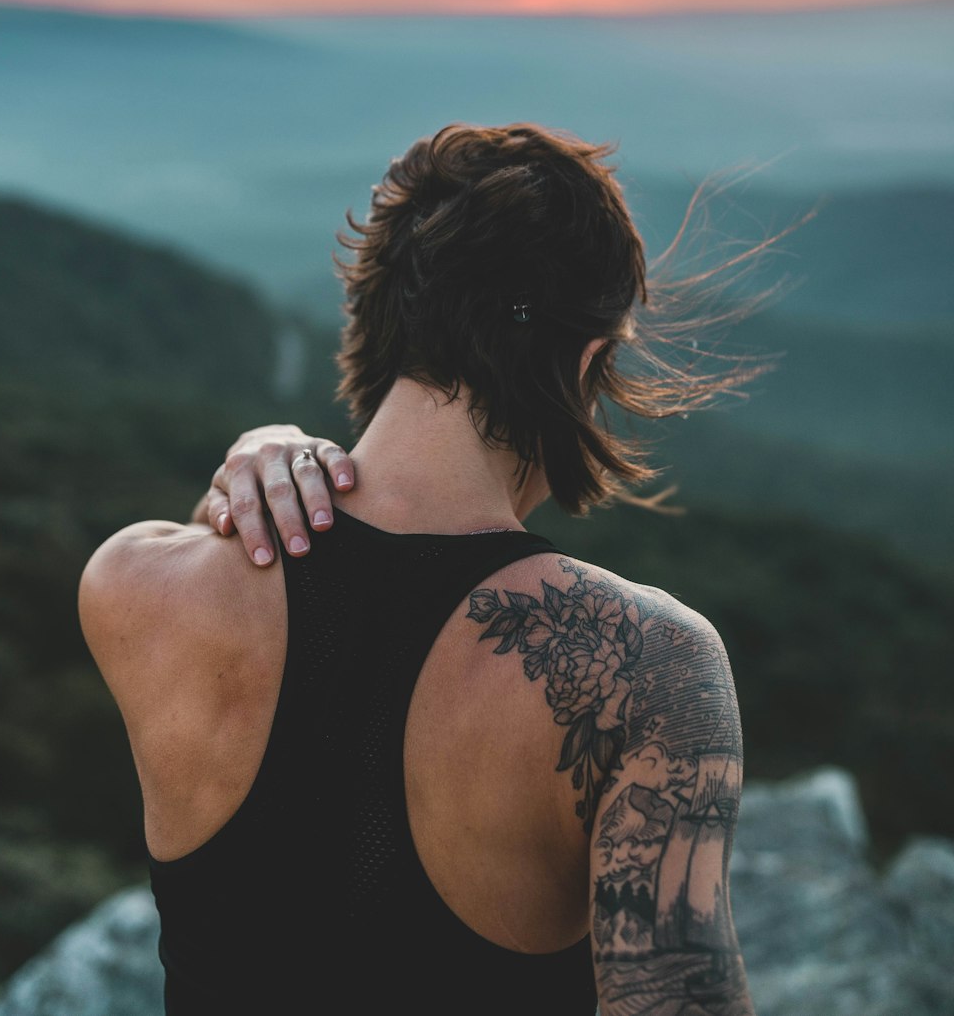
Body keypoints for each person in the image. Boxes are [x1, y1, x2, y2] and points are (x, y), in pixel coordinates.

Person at [79, 122, 765, 1015]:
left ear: (376, 321)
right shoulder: (651, 669)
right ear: (587, 358)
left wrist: (262, 446)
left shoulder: (130, 586)